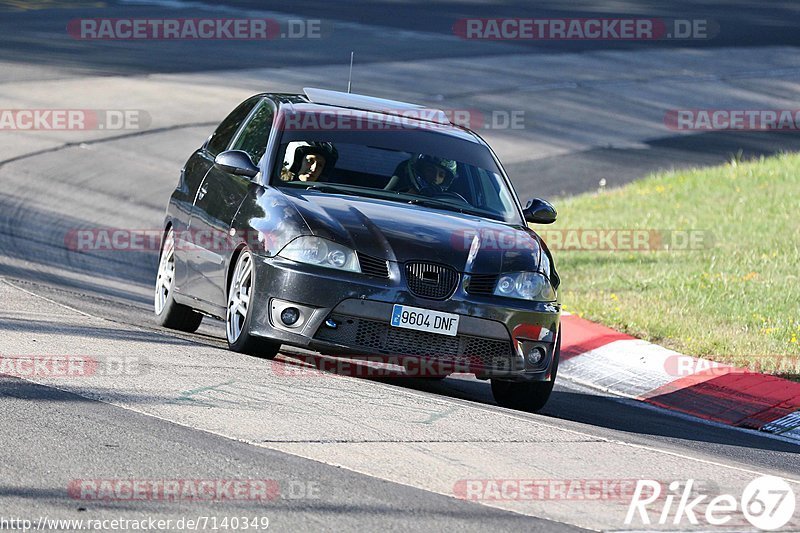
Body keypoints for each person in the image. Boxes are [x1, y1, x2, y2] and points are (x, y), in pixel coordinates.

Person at [385, 153, 457, 194]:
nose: (435, 178)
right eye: (430, 171)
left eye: (441, 175)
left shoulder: (448, 206)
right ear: (419, 170)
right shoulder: (396, 198)